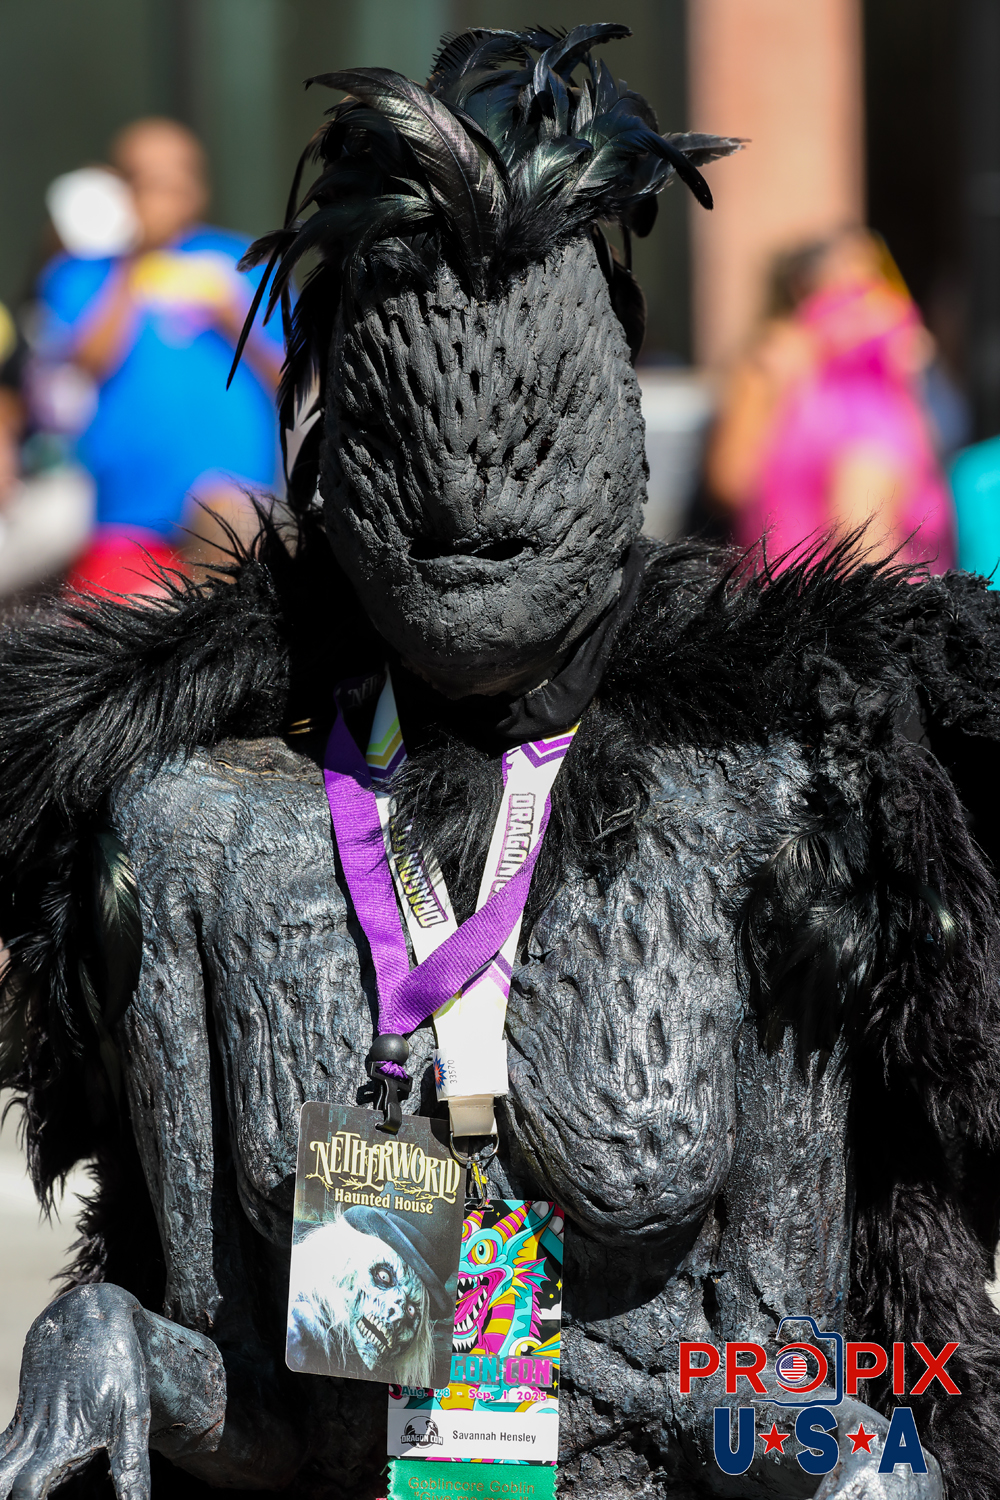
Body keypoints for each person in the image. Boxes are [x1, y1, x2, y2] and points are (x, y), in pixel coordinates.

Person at [1, 27, 999, 1500]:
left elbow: (779, 1367)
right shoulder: (196, 836)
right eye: (417, 449)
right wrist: (104, 1340)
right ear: (330, 452)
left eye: (526, 438)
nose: (471, 506)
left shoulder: (759, 810)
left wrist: (852, 1449)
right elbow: (266, 1420)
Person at [36, 119, 284, 594]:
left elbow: (291, 378)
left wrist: (234, 318)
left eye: (172, 180)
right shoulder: (82, 272)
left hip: (230, 510)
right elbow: (82, 366)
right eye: (141, 182)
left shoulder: (247, 263)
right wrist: (134, 258)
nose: (158, 197)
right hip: (124, 524)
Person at [706, 227, 956, 571]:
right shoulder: (775, 360)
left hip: (888, 582)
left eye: (874, 276)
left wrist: (911, 379)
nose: (866, 293)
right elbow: (729, 482)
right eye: (848, 275)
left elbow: (927, 465)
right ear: (803, 287)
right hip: (803, 587)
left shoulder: (892, 363)